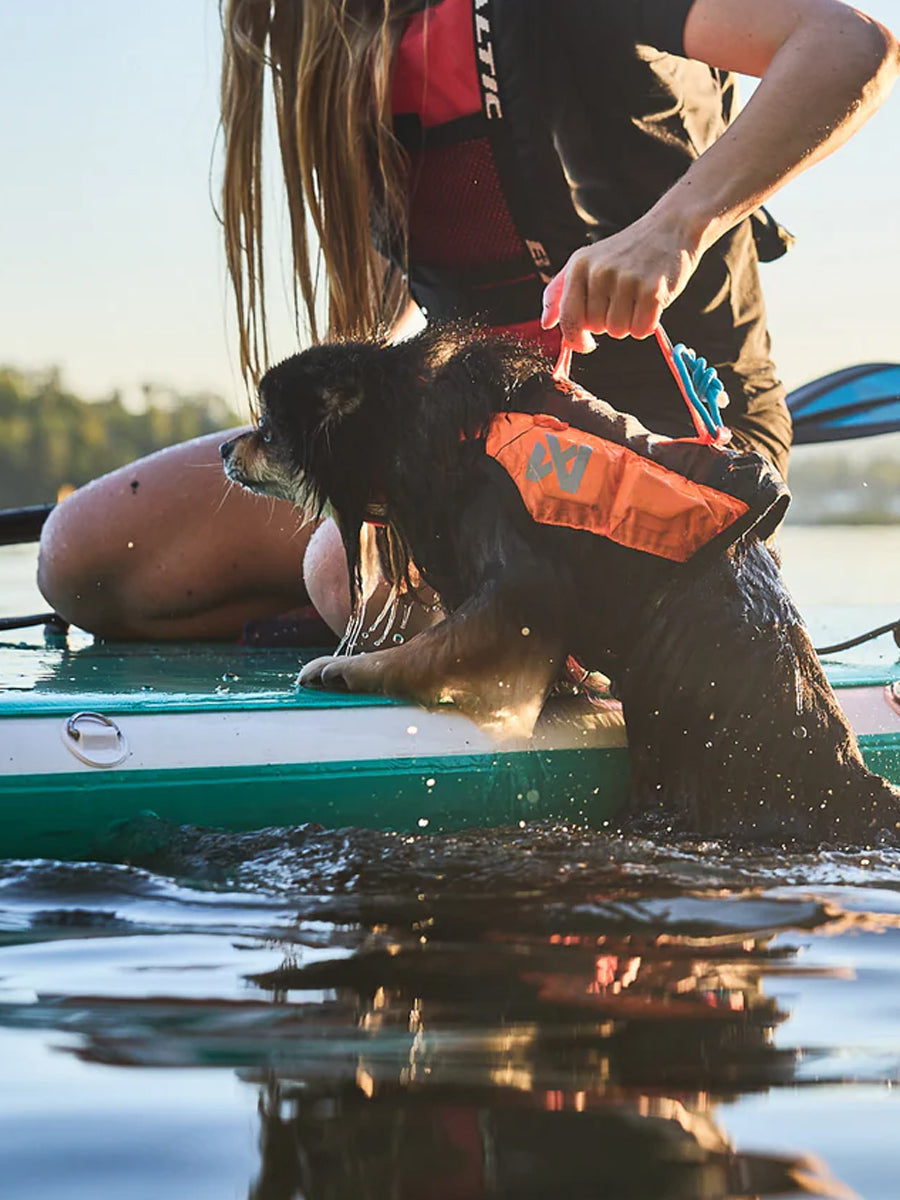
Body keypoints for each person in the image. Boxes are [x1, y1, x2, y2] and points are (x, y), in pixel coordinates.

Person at [38, 0, 899, 641]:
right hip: (459, 438)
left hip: (673, 431)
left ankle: (563, 622)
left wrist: (673, 228)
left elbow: (850, 44)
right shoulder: (333, 42)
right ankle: (392, 623)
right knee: (85, 559)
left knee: (350, 568)